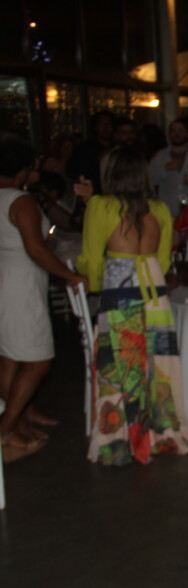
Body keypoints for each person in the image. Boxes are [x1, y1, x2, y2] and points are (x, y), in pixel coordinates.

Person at [78, 147, 188, 465]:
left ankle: (118, 442)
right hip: (154, 288)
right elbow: (164, 261)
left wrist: (94, 283)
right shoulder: (160, 209)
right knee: (157, 364)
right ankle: (161, 435)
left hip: (119, 288)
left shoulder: (100, 206)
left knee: (119, 366)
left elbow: (90, 259)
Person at [0, 136, 88, 462]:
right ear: (22, 169)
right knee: (38, 362)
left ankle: (18, 427)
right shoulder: (20, 200)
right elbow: (36, 250)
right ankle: (5, 429)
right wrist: (71, 276)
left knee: (10, 360)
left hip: (5, 279)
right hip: (21, 285)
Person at [147, 117, 188, 218]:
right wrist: (165, 168)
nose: (177, 134)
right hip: (167, 211)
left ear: (187, 133)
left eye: (180, 131)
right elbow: (148, 180)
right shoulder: (160, 157)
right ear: (169, 134)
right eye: (173, 131)